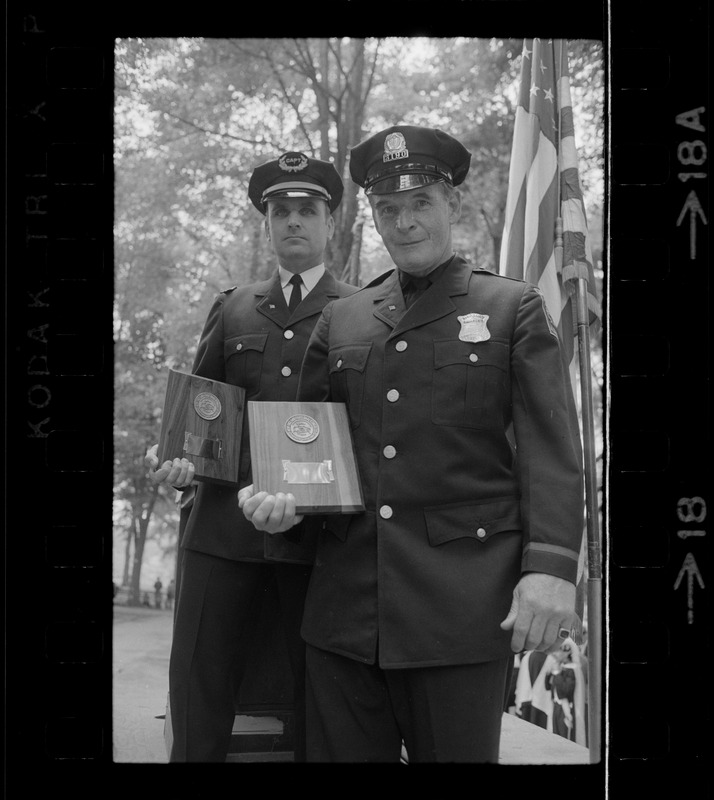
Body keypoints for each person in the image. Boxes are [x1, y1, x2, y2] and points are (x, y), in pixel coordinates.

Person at [240, 125, 584, 763]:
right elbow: (309, 451)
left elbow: (550, 453)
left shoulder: (511, 309)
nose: (405, 222)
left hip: (458, 610)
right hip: (344, 616)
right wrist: (279, 508)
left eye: (421, 203)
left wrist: (552, 570)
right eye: (388, 209)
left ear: (452, 206)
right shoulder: (341, 318)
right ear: (373, 218)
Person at [145, 151, 358, 762]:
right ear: (266, 225)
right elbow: (200, 410)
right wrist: (180, 465)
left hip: (315, 534)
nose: (294, 222)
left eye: (308, 211)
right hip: (223, 530)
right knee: (199, 682)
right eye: (281, 212)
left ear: (329, 224)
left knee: (320, 692)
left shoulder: (360, 310)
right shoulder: (233, 306)